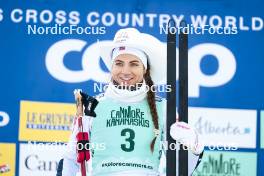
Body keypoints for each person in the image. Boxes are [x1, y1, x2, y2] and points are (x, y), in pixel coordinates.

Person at [57, 28, 204, 176]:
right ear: (112, 67)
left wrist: (192, 147)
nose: (125, 71)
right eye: (119, 63)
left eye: (134, 64)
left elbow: (179, 171)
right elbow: (70, 159)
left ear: (145, 69)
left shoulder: (163, 107)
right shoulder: (92, 105)